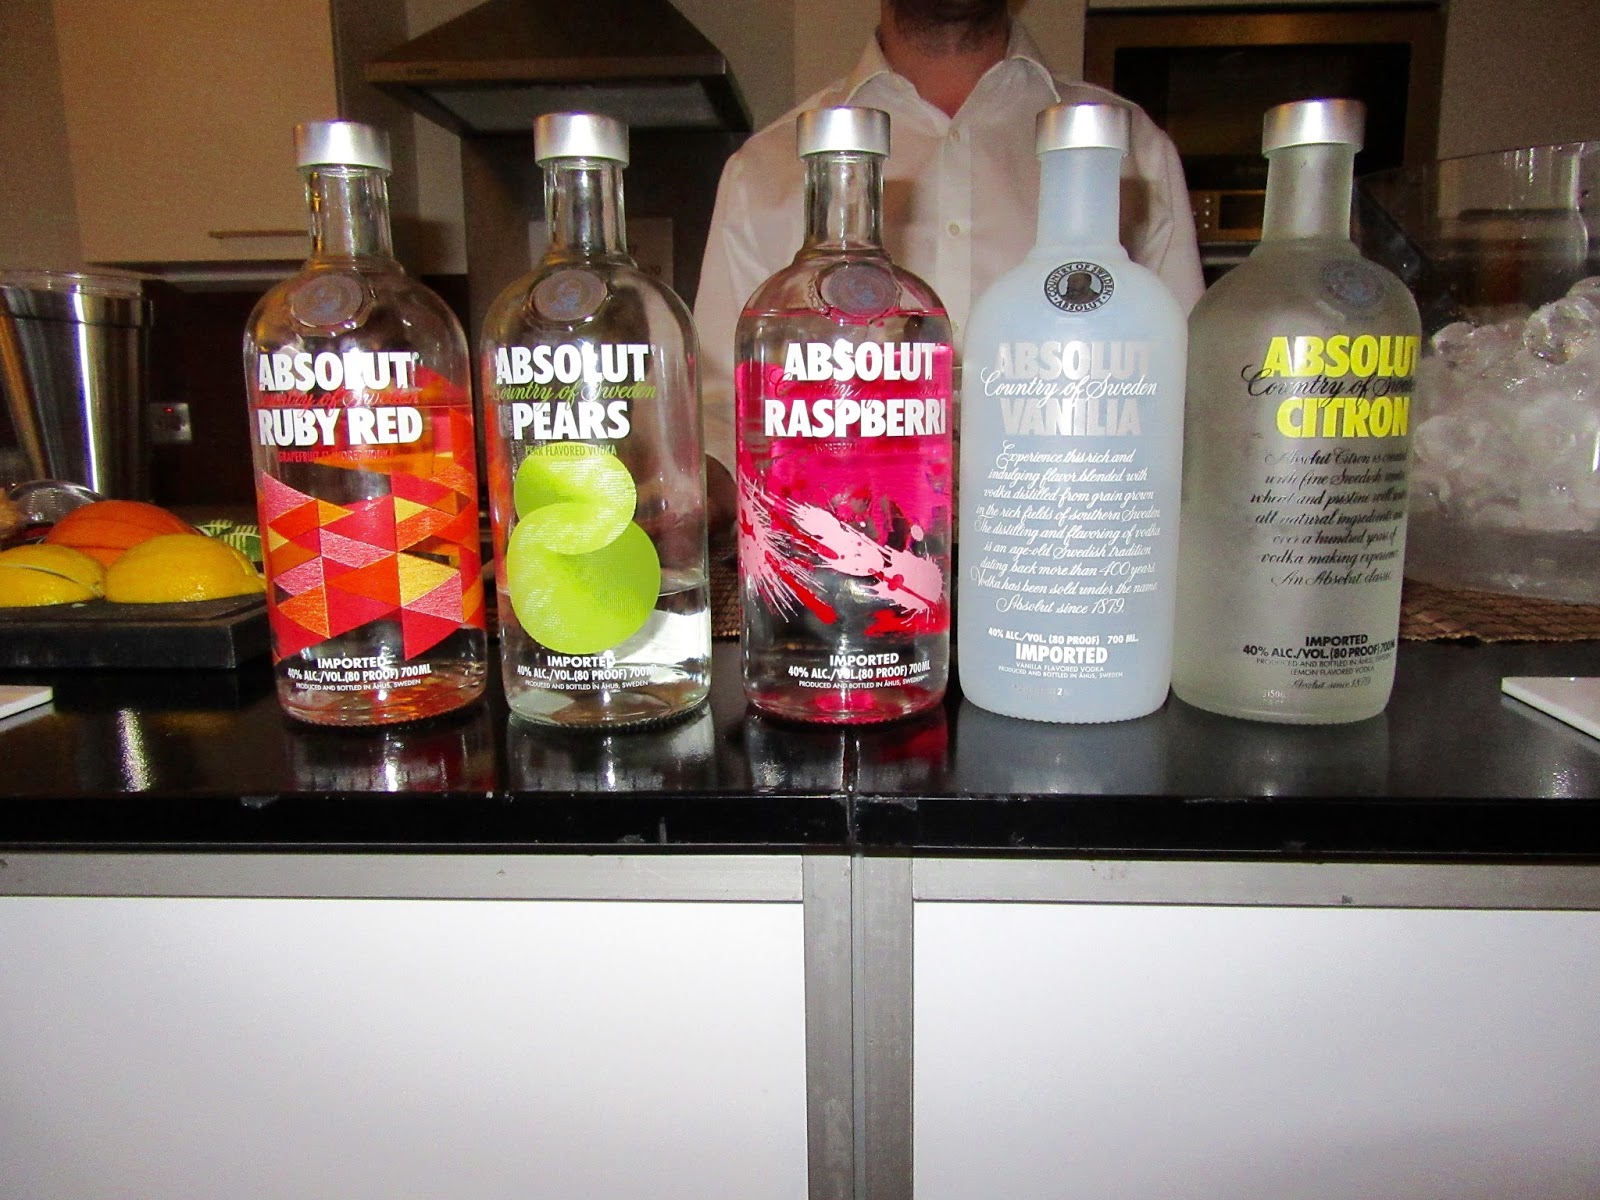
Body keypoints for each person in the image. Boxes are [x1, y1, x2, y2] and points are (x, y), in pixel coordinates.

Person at [695, 0, 1205, 532]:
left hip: (1071, 548)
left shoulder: (1132, 148)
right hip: (847, 556)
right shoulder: (763, 167)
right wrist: (688, 490)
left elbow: (1192, 404)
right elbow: (723, 412)